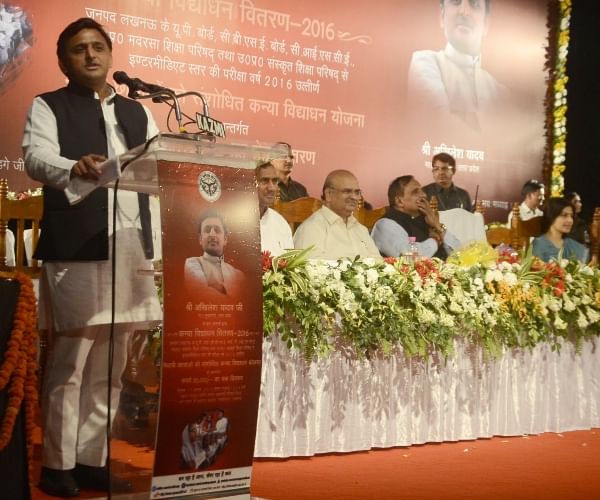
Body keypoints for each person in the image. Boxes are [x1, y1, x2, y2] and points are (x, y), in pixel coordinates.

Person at [22, 17, 161, 496]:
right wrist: (73, 167)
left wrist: (157, 245)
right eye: (79, 49)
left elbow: (157, 171)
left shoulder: (137, 112)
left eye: (98, 47)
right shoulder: (49, 104)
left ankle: (91, 458)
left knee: (111, 363)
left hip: (131, 247)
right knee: (71, 362)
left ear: (110, 54)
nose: (90, 55)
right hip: (78, 248)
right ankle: (56, 464)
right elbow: (35, 157)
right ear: (64, 62)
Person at [407, 0, 508, 130]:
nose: (464, 11)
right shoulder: (424, 63)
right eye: (455, 1)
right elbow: (440, 127)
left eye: (474, 4)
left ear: (486, 24)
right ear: (442, 15)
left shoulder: (500, 94)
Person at [293, 169, 381, 259]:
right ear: (329, 194)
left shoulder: (361, 229)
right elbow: (309, 266)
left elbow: (378, 262)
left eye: (357, 192)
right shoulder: (312, 228)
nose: (354, 197)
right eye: (347, 191)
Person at [371, 175, 461, 259]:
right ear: (399, 201)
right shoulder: (385, 224)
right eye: (415, 192)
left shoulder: (426, 219)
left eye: (421, 190)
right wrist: (435, 240)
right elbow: (409, 256)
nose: (424, 195)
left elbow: (459, 254)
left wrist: (437, 225)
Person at [184, 209, 245, 299]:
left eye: (217, 230)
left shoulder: (238, 274)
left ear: (225, 239)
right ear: (200, 239)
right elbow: (202, 295)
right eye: (207, 230)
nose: (212, 234)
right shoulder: (192, 263)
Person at [532, 197, 588, 263]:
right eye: (564, 215)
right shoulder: (539, 244)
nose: (570, 220)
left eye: (571, 216)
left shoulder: (573, 245)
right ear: (551, 216)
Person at [255, 161, 294, 256]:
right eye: (264, 181)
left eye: (275, 181)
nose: (271, 188)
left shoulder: (281, 224)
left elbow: (289, 262)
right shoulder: (235, 222)